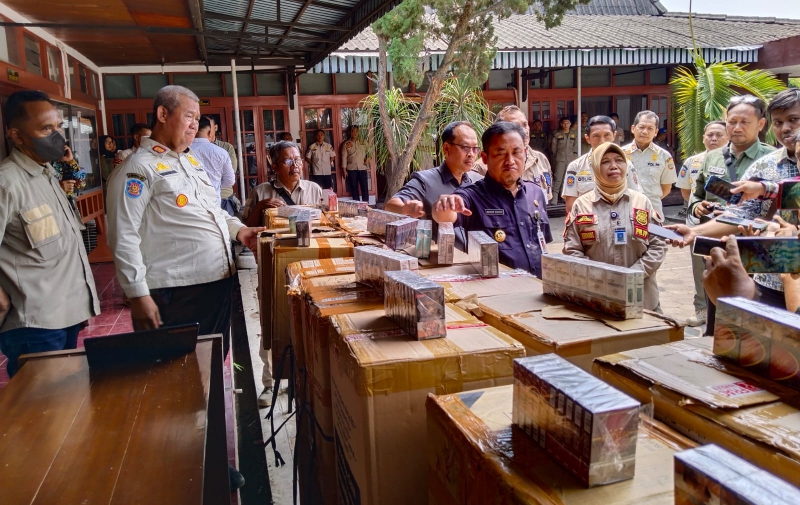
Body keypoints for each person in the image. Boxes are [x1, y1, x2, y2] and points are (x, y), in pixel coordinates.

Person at [105, 85, 261, 490]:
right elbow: (123, 236)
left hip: (213, 287)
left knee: (205, 379)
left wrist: (241, 230)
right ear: (162, 114)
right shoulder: (138, 169)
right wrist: (138, 293)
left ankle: (203, 460)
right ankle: (178, 468)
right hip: (176, 294)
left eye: (197, 118)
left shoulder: (188, 161)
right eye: (188, 116)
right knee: (176, 386)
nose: (195, 125)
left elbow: (213, 212)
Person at [666, 89, 800, 330]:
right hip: (767, 281)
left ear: (759, 125)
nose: (786, 129)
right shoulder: (765, 166)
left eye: (794, 120)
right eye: (779, 122)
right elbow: (741, 213)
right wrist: (695, 232)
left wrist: (765, 189)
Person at [0, 90, 99, 378]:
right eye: (46, 129)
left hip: (67, 312)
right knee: (45, 411)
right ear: (16, 136)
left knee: (66, 402)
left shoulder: (47, 174)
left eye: (59, 127)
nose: (58, 136)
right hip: (35, 322)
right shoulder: (8, 183)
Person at [432, 121, 552, 277]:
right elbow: (445, 216)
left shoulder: (535, 193)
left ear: (525, 153)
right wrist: (443, 205)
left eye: (516, 152)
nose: (510, 161)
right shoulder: (472, 195)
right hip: (498, 293)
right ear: (485, 158)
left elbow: (543, 244)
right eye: (501, 153)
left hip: (540, 288)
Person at [562, 142, 666, 311]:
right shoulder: (581, 205)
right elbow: (572, 250)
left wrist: (632, 275)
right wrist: (602, 277)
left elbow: (658, 245)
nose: (614, 166)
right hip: (598, 298)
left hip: (642, 299)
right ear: (595, 167)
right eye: (605, 162)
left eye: (619, 160)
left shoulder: (642, 202)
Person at [385, 121, 482, 249]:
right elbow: (391, 205)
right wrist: (405, 208)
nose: (471, 154)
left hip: (477, 259)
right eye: (465, 147)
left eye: (475, 148)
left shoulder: (478, 182)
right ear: (446, 148)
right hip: (441, 263)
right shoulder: (425, 180)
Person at [674, 120, 728, 327]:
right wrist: (697, 207)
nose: (713, 139)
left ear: (728, 136)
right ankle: (702, 310)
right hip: (697, 226)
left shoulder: (732, 161)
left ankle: (725, 313)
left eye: (718, 135)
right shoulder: (692, 162)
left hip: (727, 227)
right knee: (700, 270)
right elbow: (688, 193)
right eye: (709, 135)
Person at [689, 96, 775, 224]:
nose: (737, 128)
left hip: (752, 238)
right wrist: (697, 207)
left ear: (760, 124)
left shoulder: (774, 159)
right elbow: (697, 194)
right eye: (732, 122)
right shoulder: (712, 156)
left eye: (745, 122)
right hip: (713, 235)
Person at [561, 115, 642, 215]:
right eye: (596, 136)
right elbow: (571, 207)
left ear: (614, 135)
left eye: (607, 135)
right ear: (587, 138)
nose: (602, 141)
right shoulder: (576, 166)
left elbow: (637, 199)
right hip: (589, 225)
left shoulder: (626, 164)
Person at [473, 106, 552, 201]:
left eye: (525, 124)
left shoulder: (540, 159)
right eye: (515, 126)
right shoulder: (482, 166)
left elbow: (545, 199)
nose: (524, 130)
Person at [242, 140, 326, 227]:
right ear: (275, 167)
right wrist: (259, 207)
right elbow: (246, 228)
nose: (295, 165)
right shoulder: (259, 192)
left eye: (297, 160)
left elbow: (326, 221)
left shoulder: (314, 189)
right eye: (288, 161)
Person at [622, 110, 677, 218]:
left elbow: (666, 188)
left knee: (655, 235)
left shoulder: (664, 156)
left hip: (653, 212)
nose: (645, 132)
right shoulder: (620, 154)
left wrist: (646, 201)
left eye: (650, 128)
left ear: (656, 132)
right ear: (633, 128)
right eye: (641, 127)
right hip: (624, 211)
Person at [190, 116, 236, 204]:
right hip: (214, 203)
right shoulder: (221, 152)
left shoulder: (183, 150)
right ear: (210, 132)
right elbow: (230, 180)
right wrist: (214, 185)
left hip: (191, 204)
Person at [210, 126, 239, 216]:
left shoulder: (226, 147)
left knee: (228, 226)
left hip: (224, 196)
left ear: (215, 127)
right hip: (203, 198)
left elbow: (231, 171)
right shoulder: (190, 148)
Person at [549, 116, 577, 205]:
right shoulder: (557, 134)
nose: (566, 125)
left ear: (570, 124)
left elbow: (575, 147)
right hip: (559, 158)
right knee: (558, 178)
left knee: (568, 178)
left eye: (568, 123)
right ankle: (555, 198)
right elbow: (553, 148)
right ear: (561, 124)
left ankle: (564, 197)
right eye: (564, 123)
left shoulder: (573, 134)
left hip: (570, 159)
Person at [341, 125, 371, 202]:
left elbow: (370, 152)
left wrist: (368, 158)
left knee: (364, 187)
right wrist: (344, 170)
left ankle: (365, 204)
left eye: (356, 131)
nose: (354, 133)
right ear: (350, 132)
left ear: (358, 132)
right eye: (353, 131)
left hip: (362, 168)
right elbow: (344, 157)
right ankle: (357, 205)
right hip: (351, 169)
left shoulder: (363, 142)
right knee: (354, 187)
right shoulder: (346, 144)